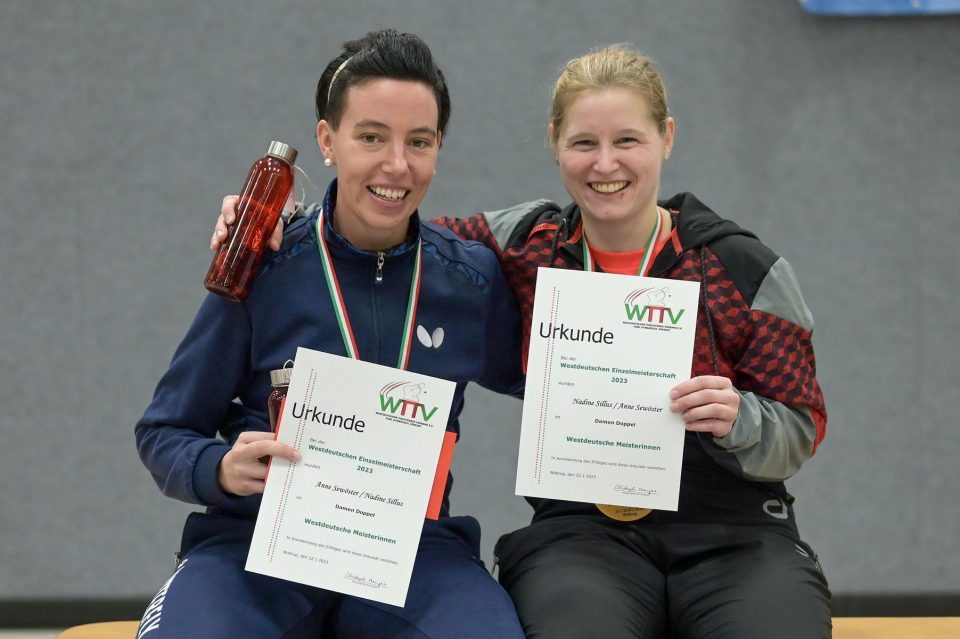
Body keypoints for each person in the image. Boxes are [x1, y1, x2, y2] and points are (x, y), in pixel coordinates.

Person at [216, 44, 831, 639]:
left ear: (666, 137)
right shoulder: (521, 243)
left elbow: (801, 428)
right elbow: (390, 230)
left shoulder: (745, 269)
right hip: (584, 534)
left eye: (628, 141)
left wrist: (739, 418)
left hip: (736, 532)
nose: (605, 164)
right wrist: (275, 221)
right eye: (584, 143)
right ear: (556, 146)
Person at [136, 30, 526, 639]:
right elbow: (163, 431)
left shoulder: (468, 279)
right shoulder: (261, 267)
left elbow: (548, 379)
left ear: (438, 147)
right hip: (256, 546)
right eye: (371, 137)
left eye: (418, 142)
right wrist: (218, 467)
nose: (396, 165)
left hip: (410, 553)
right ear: (327, 140)